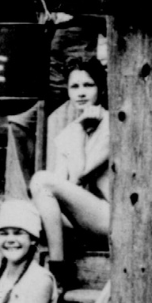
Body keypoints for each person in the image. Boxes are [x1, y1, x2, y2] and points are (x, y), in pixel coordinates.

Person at [30, 60, 111, 272]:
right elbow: (61, 187)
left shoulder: (112, 124)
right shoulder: (69, 132)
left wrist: (79, 130)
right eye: (74, 87)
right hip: (83, 220)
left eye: (88, 85)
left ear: (101, 89)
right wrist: (76, 130)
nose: (81, 93)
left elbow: (81, 173)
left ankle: (58, 266)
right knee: (32, 209)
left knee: (40, 179)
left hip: (111, 217)